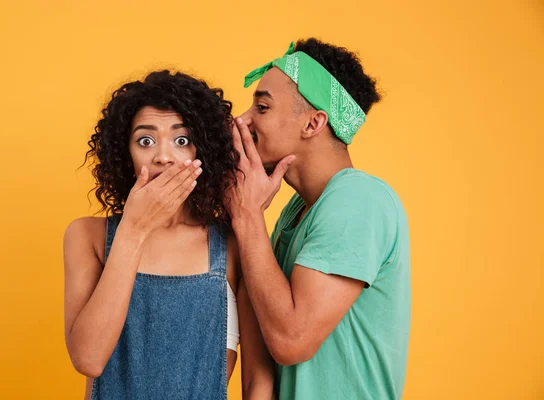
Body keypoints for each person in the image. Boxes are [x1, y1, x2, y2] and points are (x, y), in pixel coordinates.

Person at [63, 70, 274, 400]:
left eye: (182, 140)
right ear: (125, 154)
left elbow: (258, 381)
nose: (163, 156)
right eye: (145, 141)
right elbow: (88, 358)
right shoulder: (87, 236)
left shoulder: (233, 244)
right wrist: (135, 228)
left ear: (203, 152)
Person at [225, 38, 411, 399]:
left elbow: (290, 341)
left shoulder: (359, 200)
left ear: (313, 123)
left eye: (262, 107)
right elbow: (262, 342)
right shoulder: (294, 211)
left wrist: (247, 216)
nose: (243, 121)